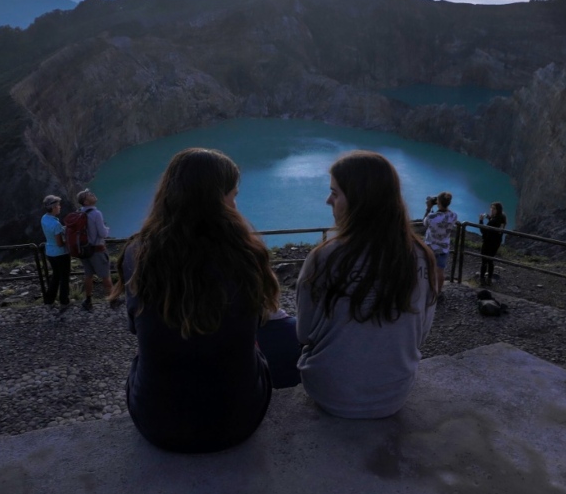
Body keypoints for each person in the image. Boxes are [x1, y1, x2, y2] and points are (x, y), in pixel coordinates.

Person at [111, 148, 286, 453]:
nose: (235, 203)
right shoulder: (247, 254)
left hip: (157, 422)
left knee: (143, 361)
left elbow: (135, 327)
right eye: (233, 195)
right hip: (240, 419)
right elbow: (256, 321)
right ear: (220, 199)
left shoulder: (138, 254)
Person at [296, 150, 437, 419]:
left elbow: (304, 333)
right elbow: (422, 332)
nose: (328, 200)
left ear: (360, 200)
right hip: (394, 394)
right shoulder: (422, 256)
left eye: (335, 193)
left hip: (329, 392)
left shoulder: (324, 257)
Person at [76, 189, 112, 311]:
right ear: (86, 202)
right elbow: (102, 233)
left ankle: (88, 300)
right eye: (90, 195)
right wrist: (107, 229)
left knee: (88, 275)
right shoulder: (96, 213)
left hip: (84, 251)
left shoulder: (79, 212)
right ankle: (113, 300)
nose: (93, 195)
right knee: (105, 276)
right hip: (97, 250)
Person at [40, 195, 70, 311]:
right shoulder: (56, 224)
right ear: (53, 208)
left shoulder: (44, 218)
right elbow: (60, 243)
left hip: (49, 252)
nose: (60, 207)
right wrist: (69, 242)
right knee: (64, 278)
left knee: (55, 276)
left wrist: (64, 228)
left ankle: (49, 300)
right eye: (58, 205)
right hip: (60, 254)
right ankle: (64, 301)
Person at [422, 191, 458, 290]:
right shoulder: (453, 216)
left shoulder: (432, 216)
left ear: (438, 202)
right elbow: (447, 214)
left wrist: (429, 208)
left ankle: (428, 289)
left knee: (428, 269)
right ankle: (438, 292)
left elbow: (424, 223)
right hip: (444, 248)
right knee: (440, 271)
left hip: (431, 246)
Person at [478, 202, 508, 284]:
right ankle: (489, 279)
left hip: (488, 242)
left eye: (494, 208)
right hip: (496, 243)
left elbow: (483, 231)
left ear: (498, 210)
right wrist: (489, 217)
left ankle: (482, 279)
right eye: (491, 208)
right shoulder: (502, 218)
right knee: (490, 260)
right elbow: (495, 224)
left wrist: (481, 220)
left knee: (484, 260)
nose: (491, 210)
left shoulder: (493, 221)